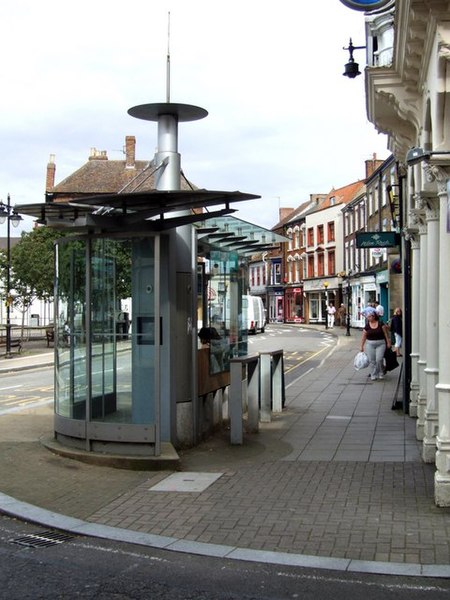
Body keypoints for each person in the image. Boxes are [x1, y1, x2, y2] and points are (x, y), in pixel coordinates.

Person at [360, 311, 391, 381]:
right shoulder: (367, 326)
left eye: (369, 316)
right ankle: (373, 374)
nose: (368, 318)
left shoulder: (380, 324)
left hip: (381, 343)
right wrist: (361, 346)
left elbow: (386, 334)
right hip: (370, 344)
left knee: (379, 359)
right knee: (372, 360)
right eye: (368, 316)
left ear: (374, 317)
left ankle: (381, 372)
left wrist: (388, 342)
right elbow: (363, 336)